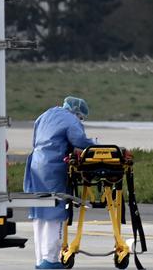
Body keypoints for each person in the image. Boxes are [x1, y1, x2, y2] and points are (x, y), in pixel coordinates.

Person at [24, 96, 95, 269]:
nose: (81, 120)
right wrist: (95, 144)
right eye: (82, 117)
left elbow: (35, 140)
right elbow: (80, 142)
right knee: (54, 215)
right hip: (52, 168)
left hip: (35, 164)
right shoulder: (71, 120)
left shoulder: (46, 114)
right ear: (77, 112)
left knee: (39, 214)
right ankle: (51, 260)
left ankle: (41, 261)